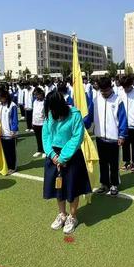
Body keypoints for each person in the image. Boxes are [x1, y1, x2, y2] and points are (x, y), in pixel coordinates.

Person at [42, 91, 91, 234]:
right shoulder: (50, 114)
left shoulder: (75, 114)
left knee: (72, 188)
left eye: (53, 109)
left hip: (71, 157)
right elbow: (46, 136)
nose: (51, 112)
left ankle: (72, 216)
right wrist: (52, 155)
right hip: (53, 157)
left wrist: (63, 157)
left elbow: (77, 137)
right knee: (58, 187)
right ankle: (62, 214)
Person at [84, 76, 127, 196]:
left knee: (113, 163)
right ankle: (104, 184)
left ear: (111, 88)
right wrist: (83, 124)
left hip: (114, 138)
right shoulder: (96, 100)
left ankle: (114, 184)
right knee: (102, 162)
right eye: (102, 91)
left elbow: (123, 119)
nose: (104, 93)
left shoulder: (118, 101)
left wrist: (122, 135)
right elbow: (89, 116)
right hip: (100, 137)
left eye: (106, 90)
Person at [0, 88, 19, 174]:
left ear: (5, 97)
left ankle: (13, 167)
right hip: (2, 133)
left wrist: (13, 130)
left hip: (10, 133)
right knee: (5, 151)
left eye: (1, 97)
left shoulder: (12, 105)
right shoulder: (0, 105)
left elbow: (14, 119)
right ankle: (7, 166)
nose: (0, 99)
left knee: (11, 151)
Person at [32, 87, 46, 157]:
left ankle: (44, 151)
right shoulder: (34, 101)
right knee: (38, 138)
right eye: (35, 95)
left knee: (43, 138)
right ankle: (39, 150)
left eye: (37, 94)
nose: (36, 96)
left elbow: (47, 113)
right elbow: (34, 112)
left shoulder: (45, 102)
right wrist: (33, 122)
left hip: (43, 123)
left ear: (41, 93)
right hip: (35, 122)